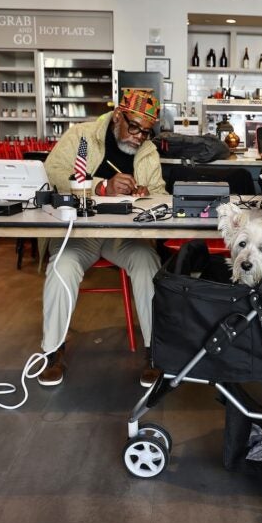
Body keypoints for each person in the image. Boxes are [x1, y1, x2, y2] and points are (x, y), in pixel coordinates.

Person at [39, 88, 166, 386]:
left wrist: (146, 194)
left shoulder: (147, 151)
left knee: (148, 263)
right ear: (118, 116)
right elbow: (52, 171)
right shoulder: (82, 135)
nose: (138, 137)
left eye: (145, 132)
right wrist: (101, 187)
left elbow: (161, 193)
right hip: (80, 233)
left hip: (121, 236)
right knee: (62, 268)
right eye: (133, 127)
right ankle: (53, 351)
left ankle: (155, 352)